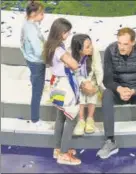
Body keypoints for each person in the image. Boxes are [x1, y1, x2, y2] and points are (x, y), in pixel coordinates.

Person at [97, 27, 136, 159]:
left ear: (133, 42)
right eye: (119, 43)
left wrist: (134, 91)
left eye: (125, 44)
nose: (121, 47)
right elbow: (107, 80)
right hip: (118, 90)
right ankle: (110, 141)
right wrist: (119, 89)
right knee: (107, 94)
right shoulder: (110, 50)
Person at [43, 18, 81, 165]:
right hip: (65, 85)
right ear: (61, 32)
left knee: (60, 117)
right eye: (67, 32)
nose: (68, 35)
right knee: (71, 118)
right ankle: (64, 154)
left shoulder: (49, 46)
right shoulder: (59, 49)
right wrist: (72, 58)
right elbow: (74, 65)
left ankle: (57, 149)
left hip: (56, 84)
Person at [20, 1, 51, 129]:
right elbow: (39, 51)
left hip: (30, 59)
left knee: (36, 85)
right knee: (37, 91)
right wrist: (49, 57)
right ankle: (35, 119)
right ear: (33, 14)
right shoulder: (31, 30)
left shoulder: (28, 24)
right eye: (41, 13)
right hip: (37, 63)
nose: (43, 16)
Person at [71, 34, 104, 136]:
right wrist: (82, 84)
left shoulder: (95, 52)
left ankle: (90, 118)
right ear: (79, 50)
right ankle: (80, 120)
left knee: (92, 89)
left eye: (91, 44)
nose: (91, 48)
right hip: (77, 79)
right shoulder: (70, 55)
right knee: (79, 90)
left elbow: (98, 70)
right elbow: (73, 74)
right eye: (87, 47)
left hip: (92, 78)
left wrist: (96, 86)